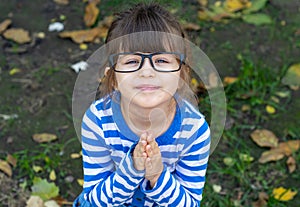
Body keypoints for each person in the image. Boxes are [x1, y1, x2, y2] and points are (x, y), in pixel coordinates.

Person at [73, 2, 211, 207]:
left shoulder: (194, 131)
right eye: (131, 61)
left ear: (182, 72)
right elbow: (92, 202)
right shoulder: (98, 121)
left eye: (162, 61)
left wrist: (157, 175)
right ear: (112, 75)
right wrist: (131, 170)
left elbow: (190, 204)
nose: (147, 72)